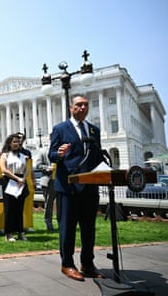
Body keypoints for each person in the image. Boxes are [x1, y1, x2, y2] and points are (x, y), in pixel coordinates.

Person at [48, 94, 104, 281]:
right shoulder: (60, 129)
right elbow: (52, 154)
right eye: (79, 105)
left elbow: (97, 157)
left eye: (86, 105)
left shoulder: (94, 131)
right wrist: (59, 154)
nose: (83, 108)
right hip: (68, 187)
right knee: (68, 228)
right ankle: (67, 264)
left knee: (89, 228)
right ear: (71, 108)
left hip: (89, 187)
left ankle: (87, 264)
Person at [0, 133, 29, 242]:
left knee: (19, 208)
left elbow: (27, 169)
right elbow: (4, 170)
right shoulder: (5, 155)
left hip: (21, 182)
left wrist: (23, 179)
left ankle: (21, 232)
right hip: (9, 181)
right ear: (9, 143)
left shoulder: (23, 156)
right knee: (9, 209)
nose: (17, 144)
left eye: (18, 142)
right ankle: (9, 233)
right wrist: (17, 178)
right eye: (14, 142)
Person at [35, 146, 58, 232]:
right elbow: (37, 165)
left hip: (60, 180)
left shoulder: (62, 150)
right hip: (49, 180)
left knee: (62, 203)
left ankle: (62, 223)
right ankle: (48, 223)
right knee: (49, 203)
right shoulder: (43, 151)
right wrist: (47, 168)